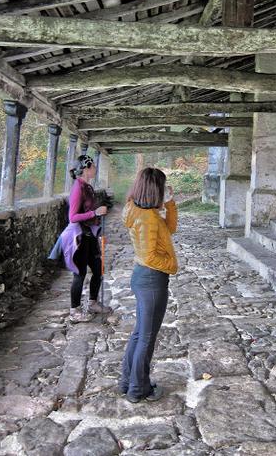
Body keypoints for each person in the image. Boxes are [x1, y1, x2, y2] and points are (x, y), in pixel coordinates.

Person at [120, 167, 178, 403]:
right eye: (163, 187)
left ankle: (127, 381)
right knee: (146, 337)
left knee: (139, 334)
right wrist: (172, 265)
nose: (165, 191)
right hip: (152, 279)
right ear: (155, 189)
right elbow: (149, 256)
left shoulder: (139, 209)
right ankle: (138, 388)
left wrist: (171, 204)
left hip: (144, 278)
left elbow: (169, 229)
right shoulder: (147, 218)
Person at [62, 154, 111, 323]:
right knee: (80, 273)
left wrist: (96, 217)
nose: (95, 169)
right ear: (86, 168)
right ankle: (74, 311)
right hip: (80, 237)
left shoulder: (87, 187)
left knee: (98, 269)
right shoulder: (78, 187)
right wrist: (95, 213)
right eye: (94, 166)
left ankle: (92, 303)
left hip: (90, 234)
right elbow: (73, 217)